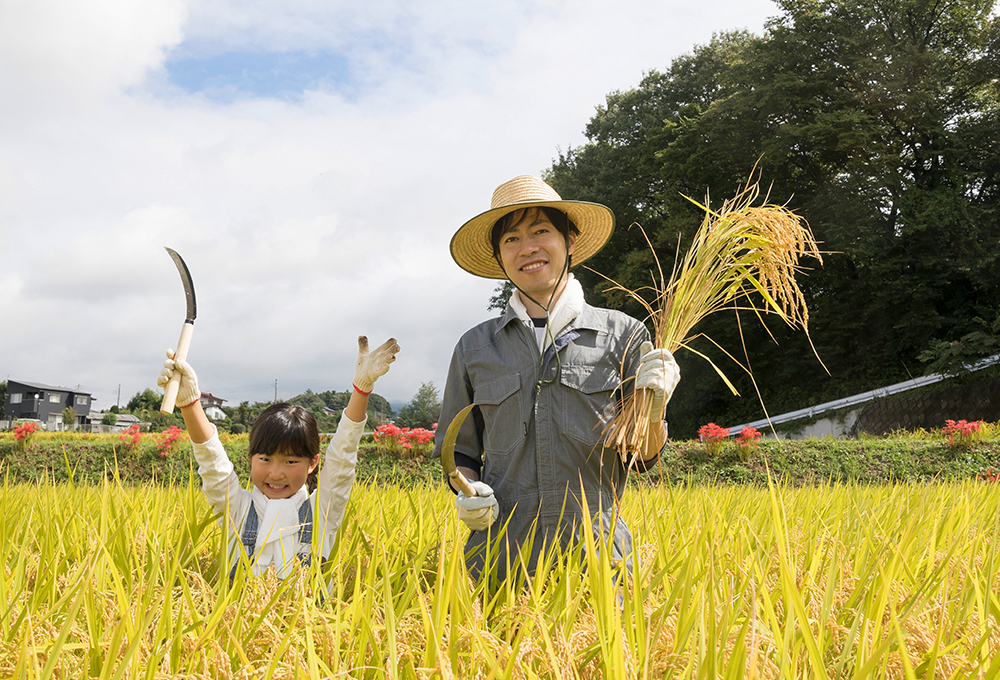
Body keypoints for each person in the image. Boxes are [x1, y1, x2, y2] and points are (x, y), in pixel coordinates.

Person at [435, 175, 680, 580]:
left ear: (570, 240)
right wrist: (468, 491)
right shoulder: (475, 347)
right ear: (499, 257)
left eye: (541, 231)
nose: (527, 248)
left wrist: (655, 409)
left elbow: (643, 459)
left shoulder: (624, 335)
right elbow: (460, 451)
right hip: (500, 560)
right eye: (510, 239)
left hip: (600, 562)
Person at [157, 336, 400, 579]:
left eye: (290, 461)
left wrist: (361, 389)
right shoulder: (238, 510)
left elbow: (342, 457)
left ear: (312, 464)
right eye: (265, 459)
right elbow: (212, 464)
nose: (275, 473)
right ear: (251, 457)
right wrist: (190, 403)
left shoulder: (322, 511)